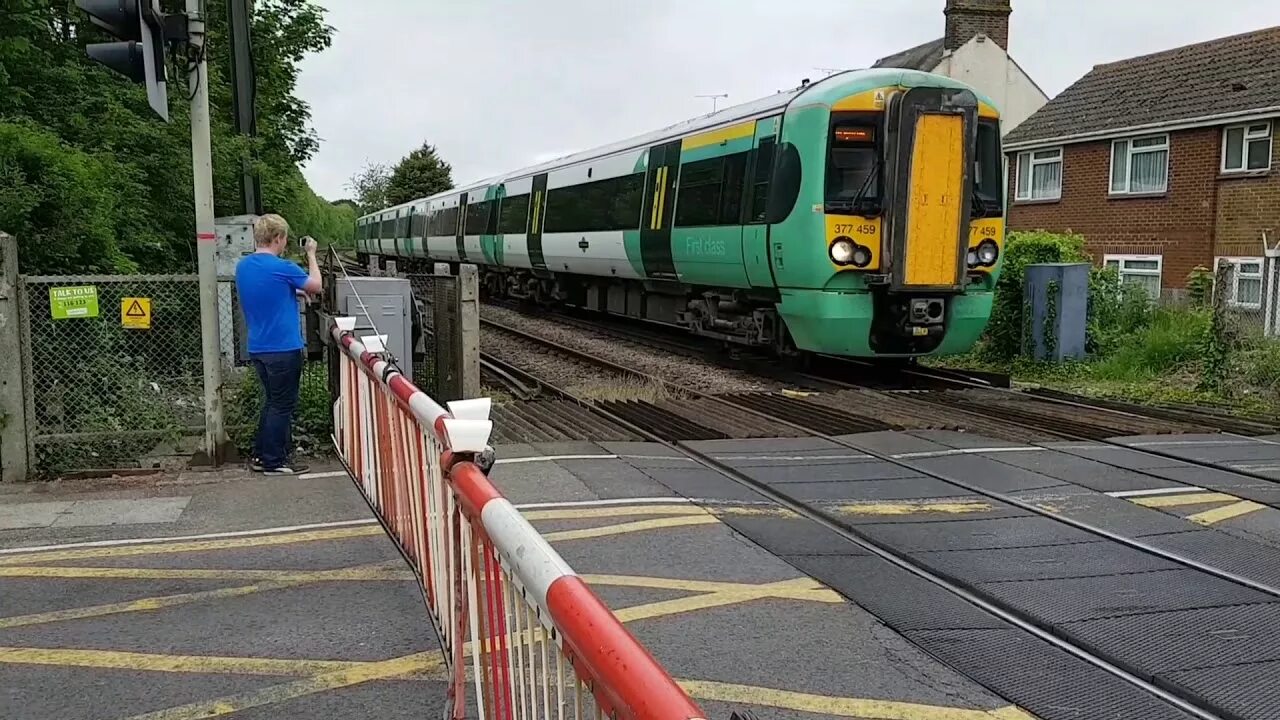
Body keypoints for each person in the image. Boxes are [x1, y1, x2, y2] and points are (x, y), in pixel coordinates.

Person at [234, 213, 322, 475]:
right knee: (282, 405)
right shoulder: (283, 267)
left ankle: (264, 455)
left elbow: (266, 289)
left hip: (258, 347)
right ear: (278, 238)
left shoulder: (244, 266)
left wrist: (293, 291)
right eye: (284, 238)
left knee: (272, 402)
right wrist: (311, 254)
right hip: (283, 348)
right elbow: (316, 285)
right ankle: (274, 461)